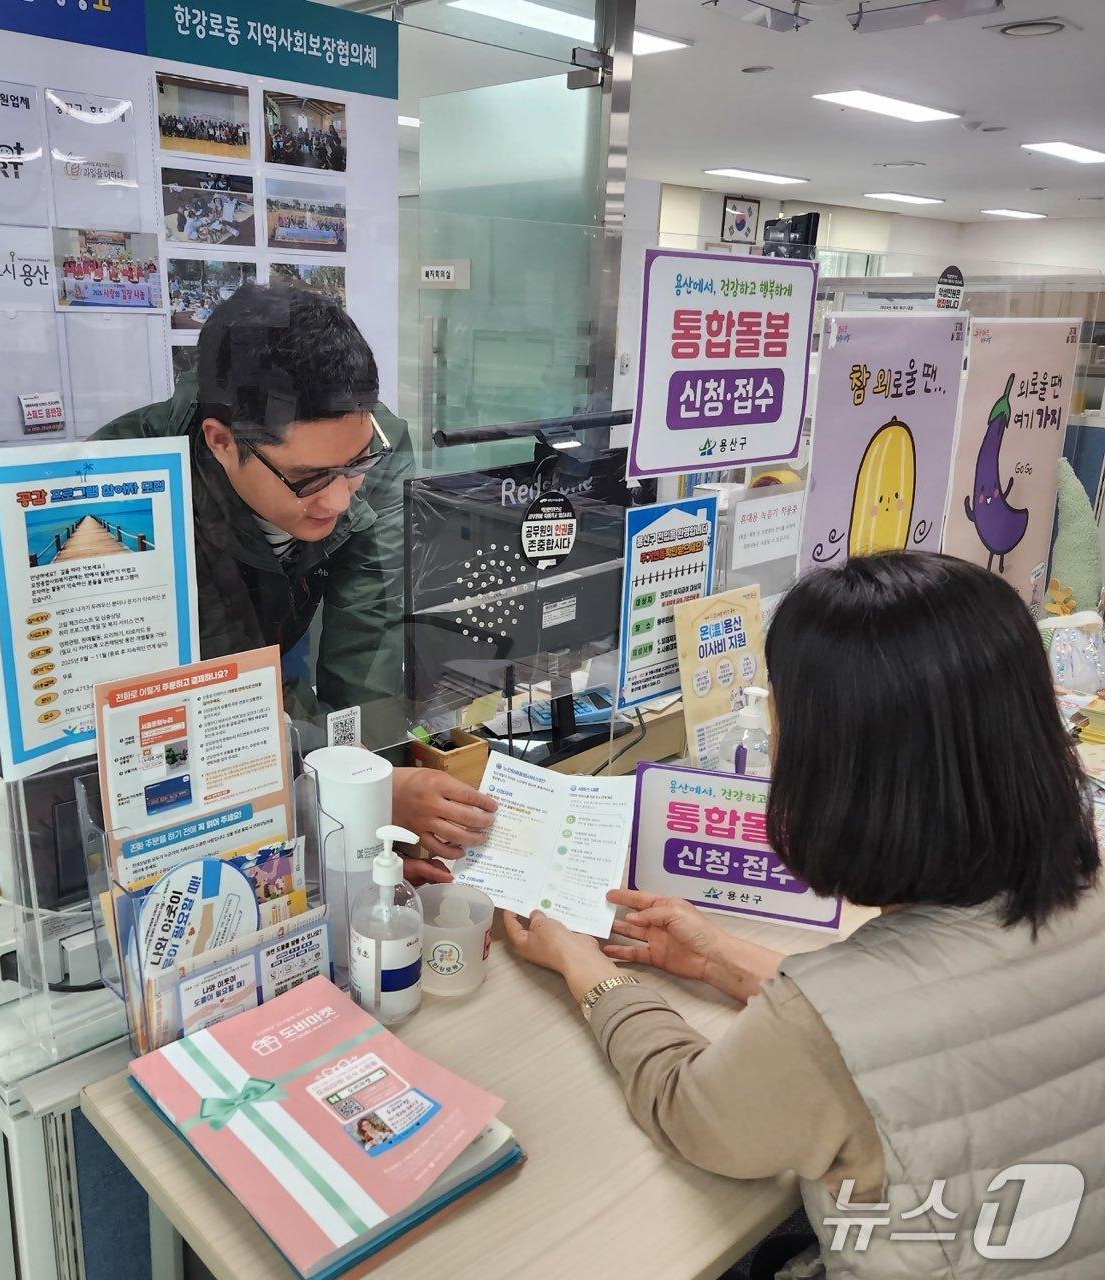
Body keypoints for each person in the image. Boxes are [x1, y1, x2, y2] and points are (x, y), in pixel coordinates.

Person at [503, 553, 1105, 1279]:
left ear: (843, 769)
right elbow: (924, 1026)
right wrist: (723, 960)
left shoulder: (826, 1023)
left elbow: (689, 1109)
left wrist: (583, 964)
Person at [92, 282, 496, 877]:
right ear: (221, 442)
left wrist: (375, 821)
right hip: (176, 757)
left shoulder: (368, 440)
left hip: (280, 672)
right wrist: (361, 790)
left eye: (353, 467)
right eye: (309, 478)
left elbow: (371, 628)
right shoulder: (130, 492)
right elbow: (218, 686)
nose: (336, 498)